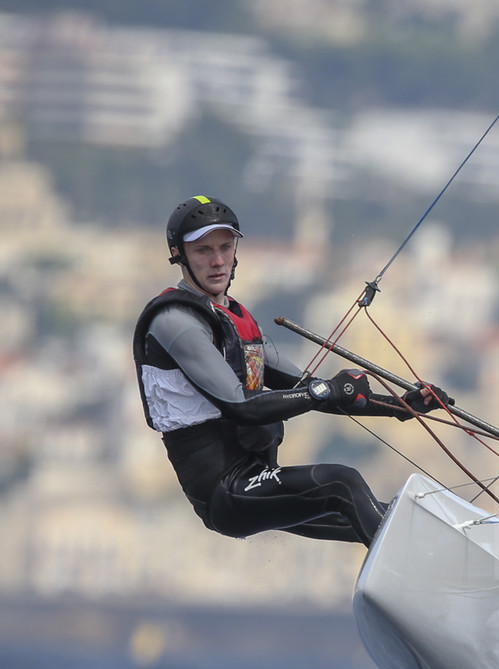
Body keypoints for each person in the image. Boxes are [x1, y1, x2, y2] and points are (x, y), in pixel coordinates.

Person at [132, 194, 449, 547]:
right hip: (227, 493)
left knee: (390, 515)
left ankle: (457, 565)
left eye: (225, 246)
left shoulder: (235, 319)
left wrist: (400, 409)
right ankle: (410, 579)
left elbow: (305, 386)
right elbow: (243, 406)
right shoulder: (174, 321)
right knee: (342, 483)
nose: (218, 260)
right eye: (203, 250)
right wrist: (323, 391)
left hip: (258, 479)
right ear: (179, 255)